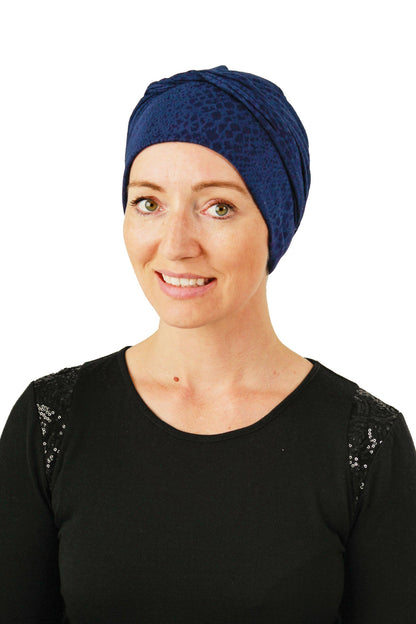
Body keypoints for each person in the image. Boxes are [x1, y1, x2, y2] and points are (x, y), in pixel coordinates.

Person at [1, 65, 415, 623]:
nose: (175, 245)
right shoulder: (51, 421)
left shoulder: (365, 442)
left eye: (218, 207)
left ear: (275, 222)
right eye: (148, 203)